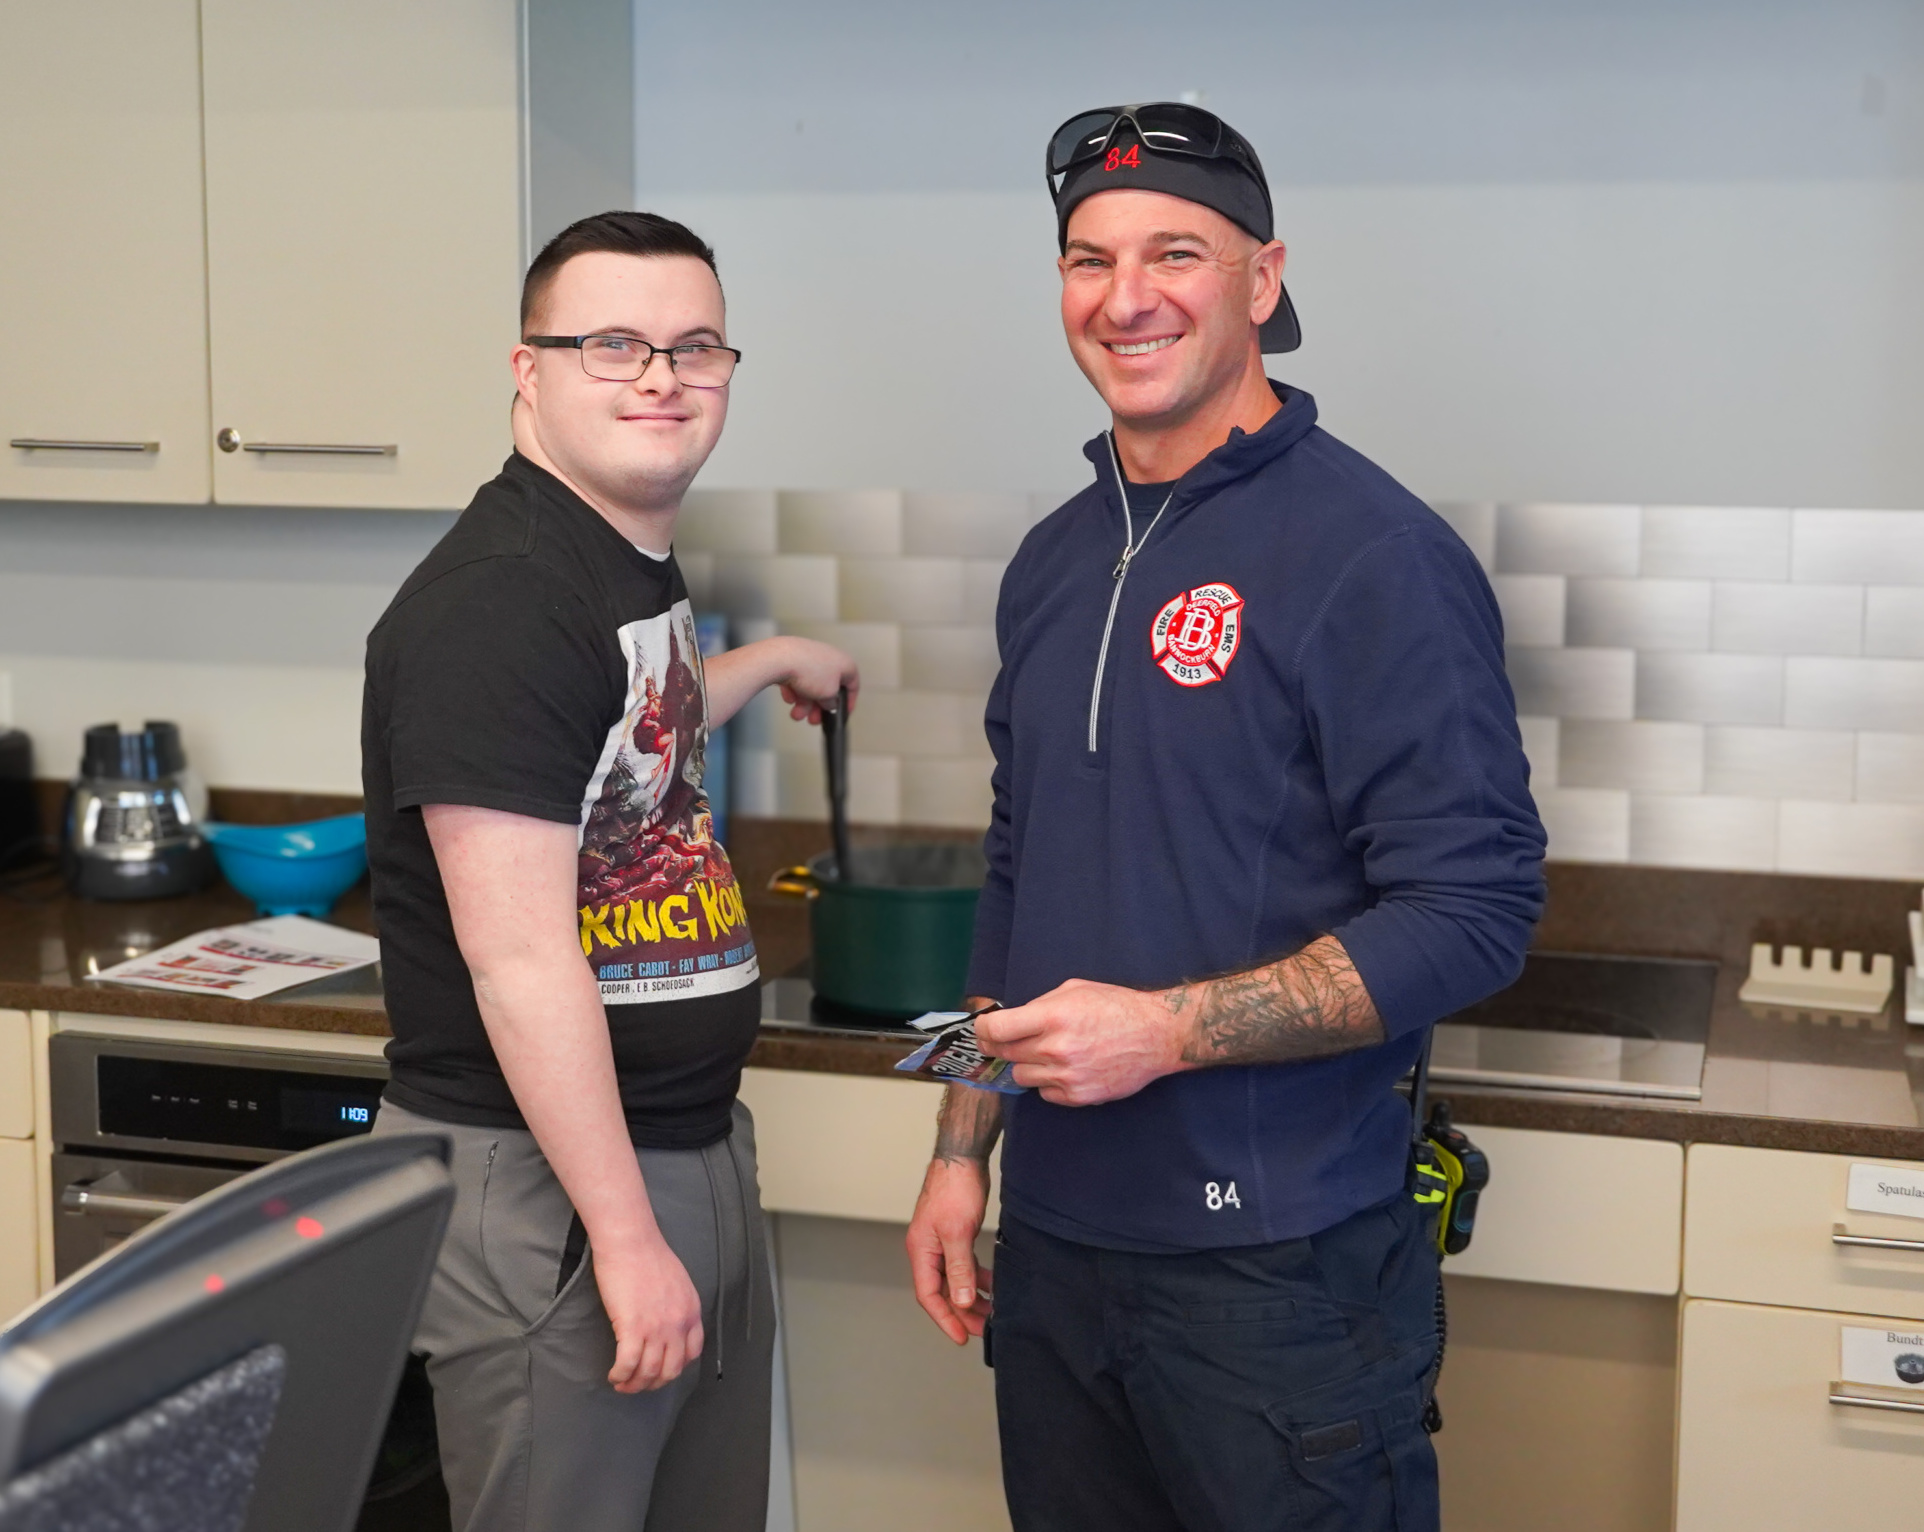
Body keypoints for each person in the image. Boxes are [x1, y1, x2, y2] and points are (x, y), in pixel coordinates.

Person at [904, 104, 1546, 1531]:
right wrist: (962, 1155)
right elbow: (1024, 874)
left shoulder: (1373, 556)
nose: (1125, 297)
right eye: (1088, 258)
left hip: (1279, 1278)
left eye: (1175, 251)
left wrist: (1167, 1030)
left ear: (1262, 280)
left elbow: (1478, 909)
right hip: (1060, 1258)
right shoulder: (1056, 561)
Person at [364, 209, 858, 1532]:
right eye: (615, 345)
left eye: (695, 346)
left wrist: (768, 663)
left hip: (669, 1155)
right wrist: (629, 1238)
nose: (662, 376)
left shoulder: (608, 557)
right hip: (553, 1191)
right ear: (527, 371)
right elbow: (517, 959)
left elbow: (619, 734)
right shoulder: (500, 600)